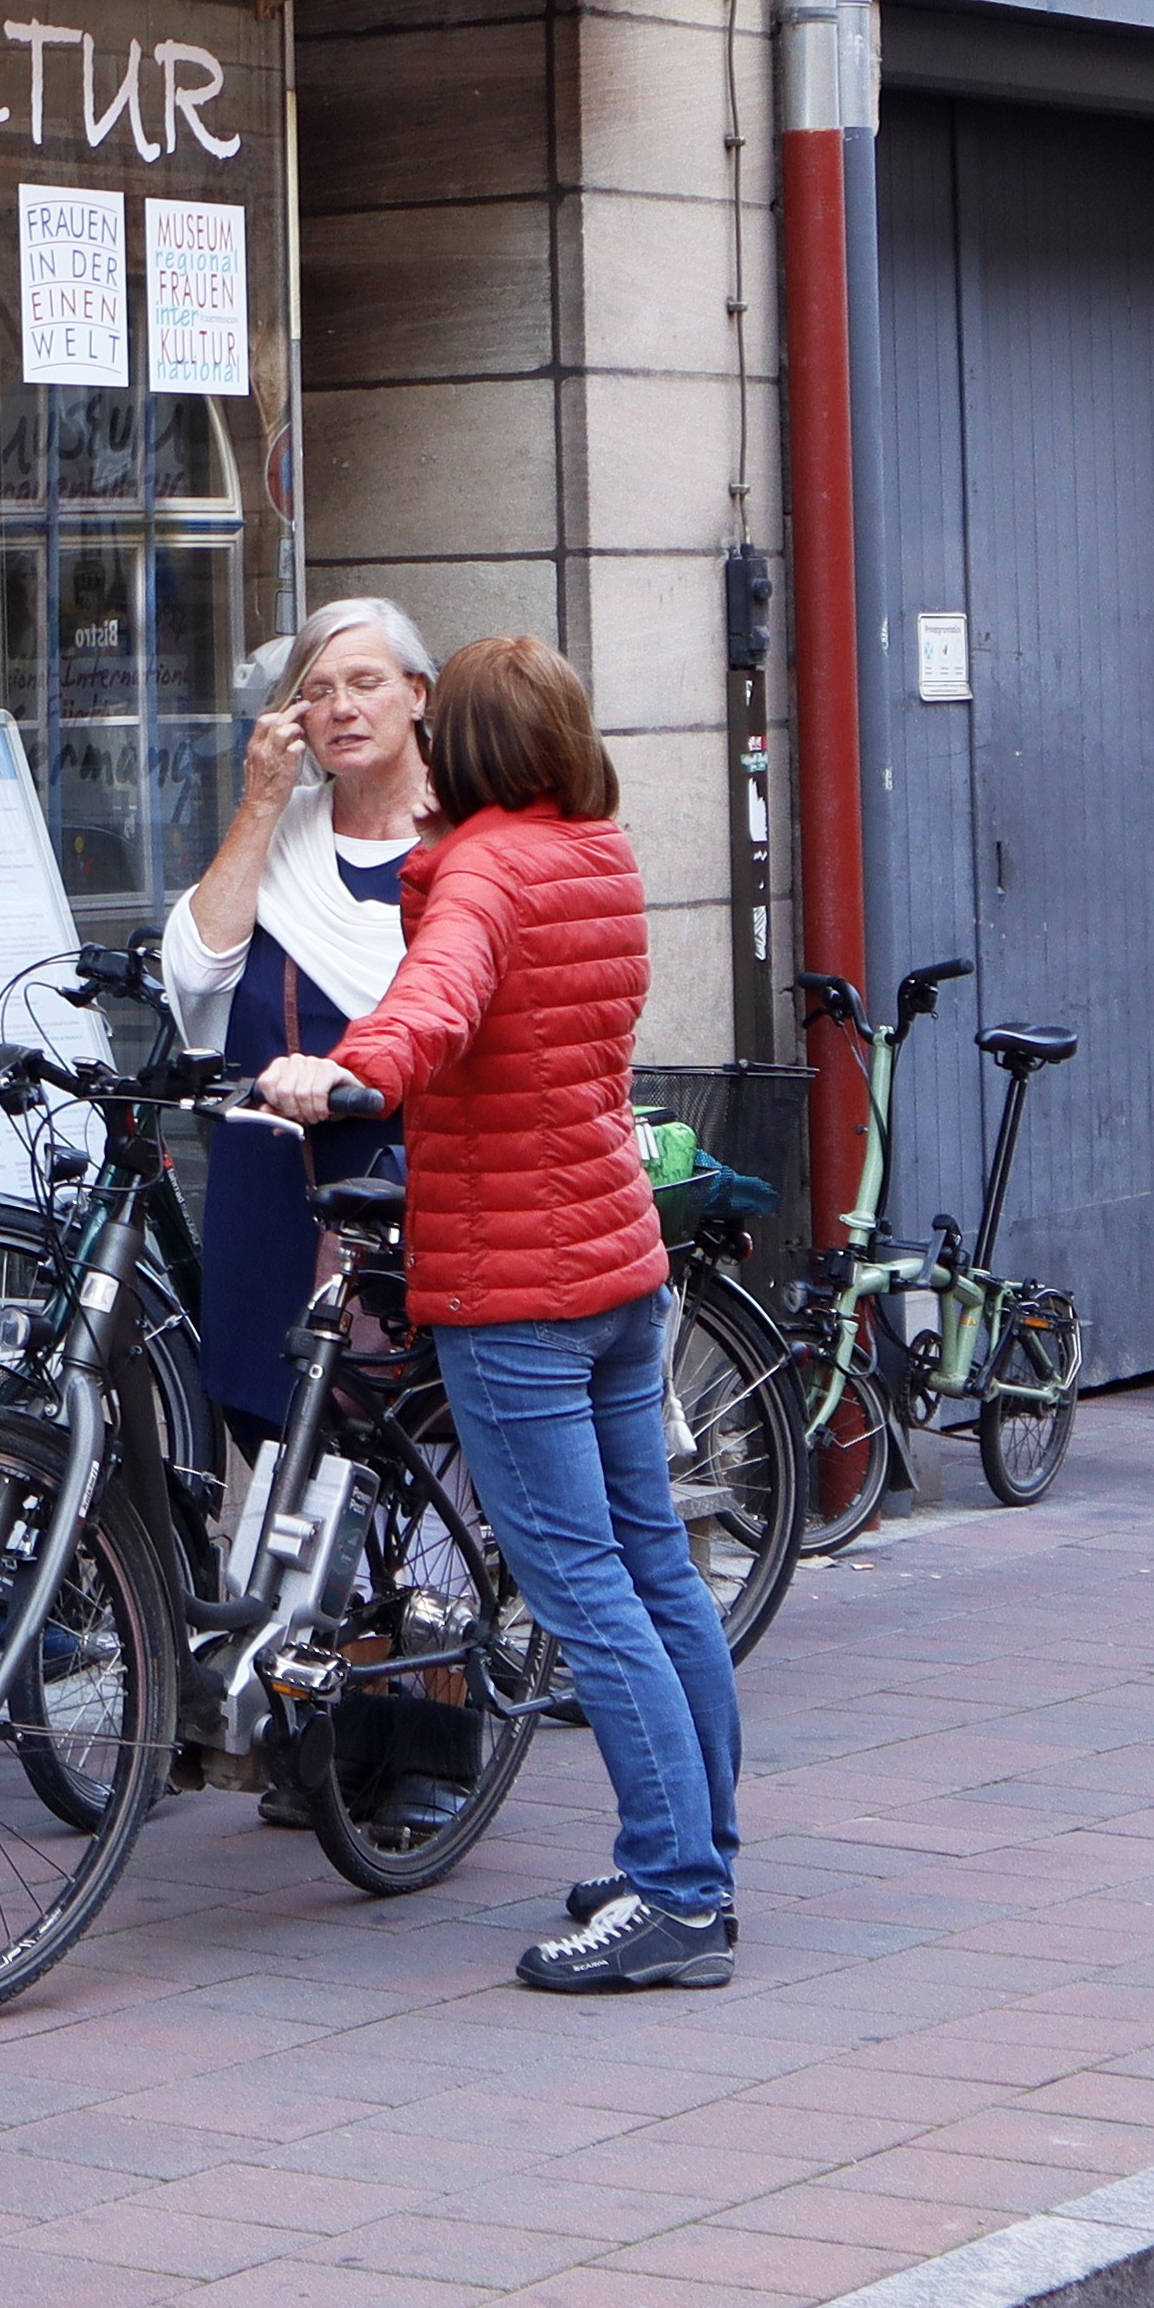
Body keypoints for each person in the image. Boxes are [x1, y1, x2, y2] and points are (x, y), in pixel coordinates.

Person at [262, 634, 735, 1994]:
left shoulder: (481, 867)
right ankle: (698, 1853)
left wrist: (346, 1073)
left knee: (583, 1587)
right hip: (615, 1261)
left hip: (516, 1285)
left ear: (459, 740)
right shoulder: (598, 850)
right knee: (654, 1567)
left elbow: (439, 995)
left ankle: (676, 1894)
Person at [164, 600, 437, 1453]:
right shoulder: (282, 832)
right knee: (270, 1427)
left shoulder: (467, 834)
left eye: (365, 682)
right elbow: (197, 968)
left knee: (420, 1441)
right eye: (317, 691)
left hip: (410, 1184)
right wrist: (261, 802)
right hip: (271, 1185)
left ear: (418, 693)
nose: (342, 707)